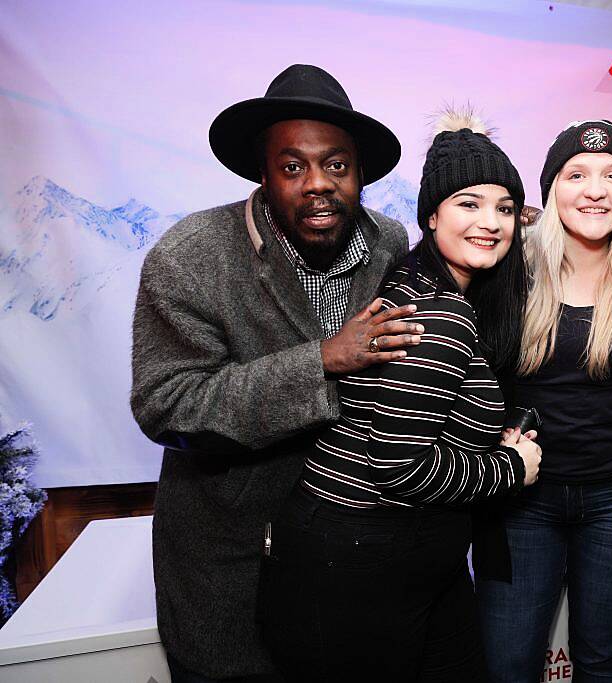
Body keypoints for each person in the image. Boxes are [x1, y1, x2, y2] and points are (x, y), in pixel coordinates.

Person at [130, 64, 421, 681]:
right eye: (293, 167)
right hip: (231, 570)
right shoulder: (190, 256)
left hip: (356, 560)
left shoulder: (391, 243)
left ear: (360, 172)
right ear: (263, 174)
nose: (318, 184)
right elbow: (165, 403)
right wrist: (321, 361)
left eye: (336, 165)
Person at [256, 110, 543, 682]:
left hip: (406, 556)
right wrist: (511, 467)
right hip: (356, 559)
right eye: (468, 204)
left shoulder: (428, 288)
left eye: (504, 208)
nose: (490, 222)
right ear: (432, 215)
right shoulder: (435, 312)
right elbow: (397, 467)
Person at [474, 120, 612, 682]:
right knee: (507, 664)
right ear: (550, 188)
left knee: (603, 663)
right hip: (520, 501)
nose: (594, 189)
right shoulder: (509, 268)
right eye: (576, 174)